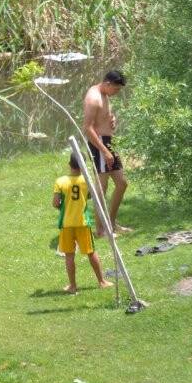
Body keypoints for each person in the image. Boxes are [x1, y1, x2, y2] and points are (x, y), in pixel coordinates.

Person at [53, 153, 113, 294]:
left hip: (67, 224)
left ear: (69, 164)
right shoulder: (87, 181)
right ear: (83, 165)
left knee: (69, 255)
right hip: (82, 223)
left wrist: (61, 204)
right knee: (91, 252)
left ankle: (73, 286)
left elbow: (55, 203)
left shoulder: (60, 181)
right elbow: (91, 196)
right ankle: (101, 281)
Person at [83, 70, 130, 235]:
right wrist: (105, 152)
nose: (116, 93)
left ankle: (111, 223)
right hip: (100, 144)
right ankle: (101, 230)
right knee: (101, 188)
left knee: (122, 183)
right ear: (108, 84)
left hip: (109, 142)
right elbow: (87, 128)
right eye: (116, 89)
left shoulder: (104, 94)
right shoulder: (93, 98)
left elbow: (103, 117)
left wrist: (112, 119)